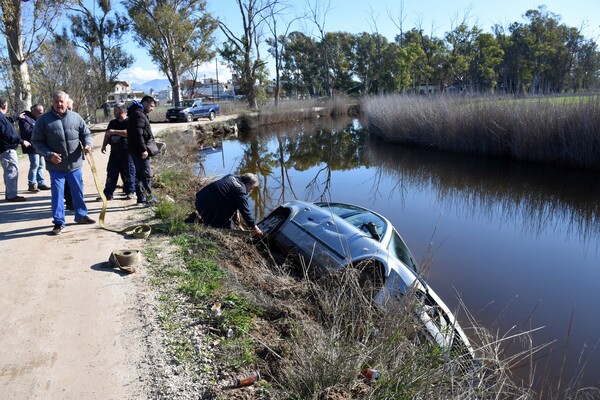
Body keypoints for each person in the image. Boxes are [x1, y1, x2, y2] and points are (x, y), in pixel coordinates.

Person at [32, 90, 95, 235]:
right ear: (52, 103)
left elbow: (85, 134)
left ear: (67, 102)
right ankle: (59, 222)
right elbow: (36, 142)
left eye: (62, 101)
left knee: (78, 191)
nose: (60, 104)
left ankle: (81, 215)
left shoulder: (76, 117)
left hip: (75, 164)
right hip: (56, 166)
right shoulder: (43, 120)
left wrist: (87, 145)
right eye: (57, 101)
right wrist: (49, 154)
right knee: (58, 194)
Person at [194, 173, 263, 236]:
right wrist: (255, 228)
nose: (251, 190)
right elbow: (246, 213)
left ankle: (203, 218)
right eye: (252, 187)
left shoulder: (231, 176)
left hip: (199, 200)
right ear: (249, 184)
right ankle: (203, 223)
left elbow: (227, 192)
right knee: (227, 229)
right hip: (205, 208)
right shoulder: (241, 192)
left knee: (227, 219)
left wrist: (236, 211)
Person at [99, 103, 135, 200]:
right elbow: (107, 134)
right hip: (114, 153)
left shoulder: (129, 121)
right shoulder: (112, 122)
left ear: (122, 110)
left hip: (127, 152)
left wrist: (115, 131)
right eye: (114, 110)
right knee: (111, 173)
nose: (114, 112)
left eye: (116, 110)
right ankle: (107, 194)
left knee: (129, 172)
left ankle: (130, 191)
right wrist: (104, 145)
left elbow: (129, 133)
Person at [127, 95, 157, 205]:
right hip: (139, 151)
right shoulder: (139, 115)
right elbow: (138, 134)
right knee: (146, 174)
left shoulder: (138, 113)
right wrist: (144, 150)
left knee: (139, 174)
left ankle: (141, 197)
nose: (152, 108)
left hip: (135, 150)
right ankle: (149, 199)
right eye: (151, 106)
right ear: (145, 103)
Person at [0, 97, 31, 202]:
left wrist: (17, 117)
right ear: (4, 106)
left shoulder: (1, 117)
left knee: (8, 171)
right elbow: (8, 135)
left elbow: (7, 121)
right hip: (7, 148)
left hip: (5, 148)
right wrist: (22, 141)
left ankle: (10, 194)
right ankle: (12, 195)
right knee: (12, 171)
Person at [19, 103, 50, 192]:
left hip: (40, 145)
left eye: (42, 112)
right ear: (34, 111)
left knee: (41, 164)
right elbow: (26, 131)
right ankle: (31, 184)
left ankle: (40, 183)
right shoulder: (24, 118)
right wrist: (39, 130)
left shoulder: (39, 119)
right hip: (31, 145)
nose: (41, 114)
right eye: (40, 112)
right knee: (35, 164)